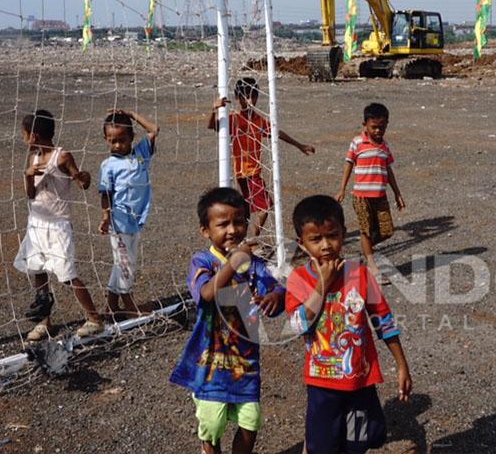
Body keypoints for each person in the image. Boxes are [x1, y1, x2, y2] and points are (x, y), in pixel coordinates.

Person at [285, 195, 412, 454]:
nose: (326, 246)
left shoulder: (360, 275)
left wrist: (402, 365)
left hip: (360, 384)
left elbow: (384, 323)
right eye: (316, 239)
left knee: (360, 442)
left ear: (344, 233)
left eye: (332, 235)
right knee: (323, 446)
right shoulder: (298, 281)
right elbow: (298, 325)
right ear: (302, 243)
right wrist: (322, 283)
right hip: (323, 385)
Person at [170, 187, 285, 454]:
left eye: (239, 222)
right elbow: (208, 294)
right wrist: (233, 262)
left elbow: (275, 288)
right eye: (223, 224)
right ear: (205, 230)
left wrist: (276, 297)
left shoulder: (254, 264)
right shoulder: (203, 261)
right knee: (212, 424)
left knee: (251, 421)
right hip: (209, 363)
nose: (232, 230)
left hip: (245, 362)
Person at [13, 110, 104, 342]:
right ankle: (44, 322)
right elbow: (31, 194)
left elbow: (82, 182)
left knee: (67, 274)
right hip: (36, 223)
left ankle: (94, 318)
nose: (23, 139)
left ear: (33, 135)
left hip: (58, 225)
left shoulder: (61, 157)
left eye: (24, 134)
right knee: (38, 271)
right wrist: (27, 175)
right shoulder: (33, 158)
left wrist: (84, 177)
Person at [207, 77, 315, 237]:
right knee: (265, 207)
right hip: (246, 173)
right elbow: (212, 126)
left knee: (246, 210)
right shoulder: (234, 119)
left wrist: (300, 145)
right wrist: (214, 109)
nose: (251, 100)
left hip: (251, 172)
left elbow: (276, 133)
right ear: (238, 98)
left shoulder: (258, 120)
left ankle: (244, 239)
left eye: (254, 96)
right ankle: (254, 239)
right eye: (246, 97)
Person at [98, 108, 159, 319]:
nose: (117, 145)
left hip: (136, 220)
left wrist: (133, 115)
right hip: (120, 222)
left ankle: (111, 306)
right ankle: (129, 305)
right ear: (106, 140)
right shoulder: (108, 166)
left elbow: (154, 129)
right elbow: (105, 194)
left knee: (122, 262)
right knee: (126, 263)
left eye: (122, 140)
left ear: (131, 138)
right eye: (112, 141)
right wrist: (105, 218)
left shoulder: (140, 153)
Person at [335, 103, 405, 284]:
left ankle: (366, 251)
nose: (378, 131)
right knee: (365, 229)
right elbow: (349, 163)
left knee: (387, 230)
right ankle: (372, 266)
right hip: (361, 196)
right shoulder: (357, 142)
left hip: (380, 195)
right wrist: (342, 188)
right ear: (364, 125)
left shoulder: (385, 146)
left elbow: (388, 170)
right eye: (374, 127)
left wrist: (397, 193)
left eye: (382, 127)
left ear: (387, 125)